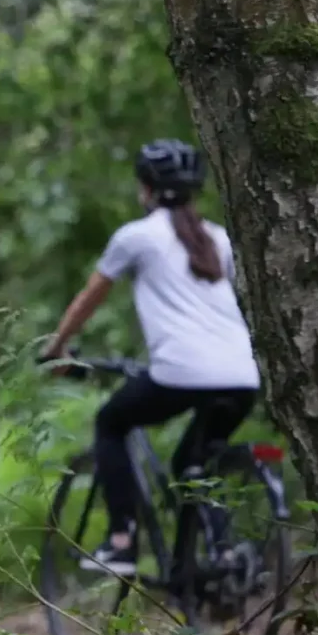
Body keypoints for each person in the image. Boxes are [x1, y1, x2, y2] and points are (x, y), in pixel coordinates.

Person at [39, 139, 261, 575]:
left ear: (146, 188)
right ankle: (222, 550)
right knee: (192, 464)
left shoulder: (136, 237)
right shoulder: (218, 239)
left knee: (111, 422)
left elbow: (88, 299)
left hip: (180, 372)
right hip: (241, 375)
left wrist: (56, 349)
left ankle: (121, 541)